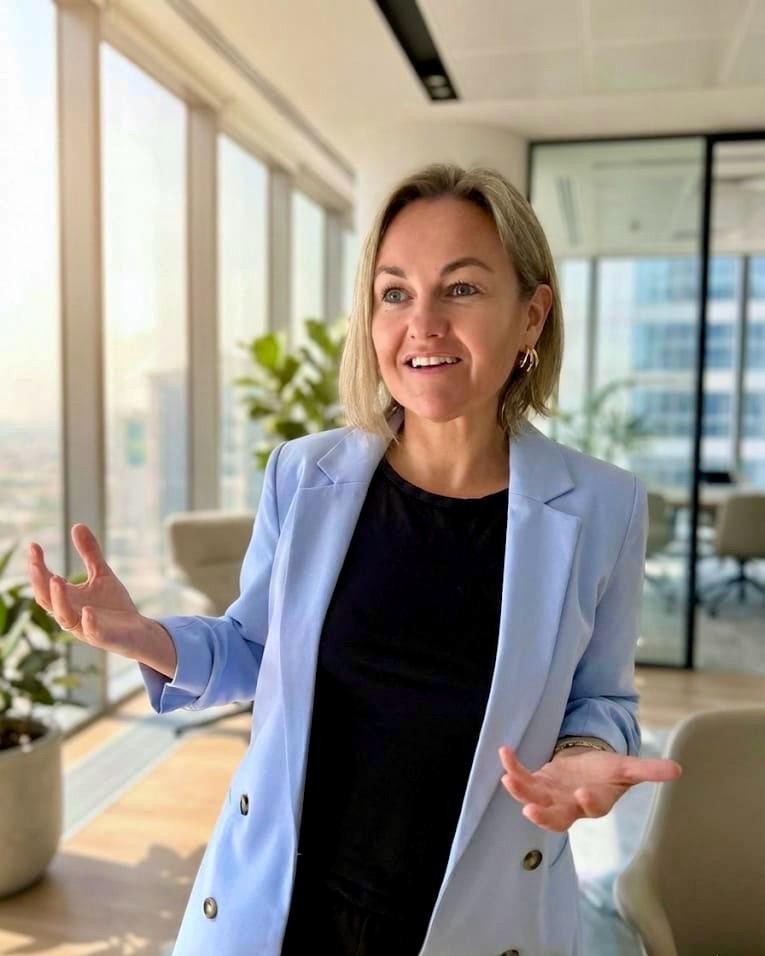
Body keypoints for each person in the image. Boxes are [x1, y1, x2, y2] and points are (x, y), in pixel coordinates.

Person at [28, 162, 682, 956]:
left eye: (462, 288)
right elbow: (254, 649)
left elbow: (601, 698)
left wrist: (584, 755)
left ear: (531, 316)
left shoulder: (602, 507)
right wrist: (147, 638)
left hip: (472, 921)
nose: (423, 324)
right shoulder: (304, 474)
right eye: (394, 293)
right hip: (284, 915)